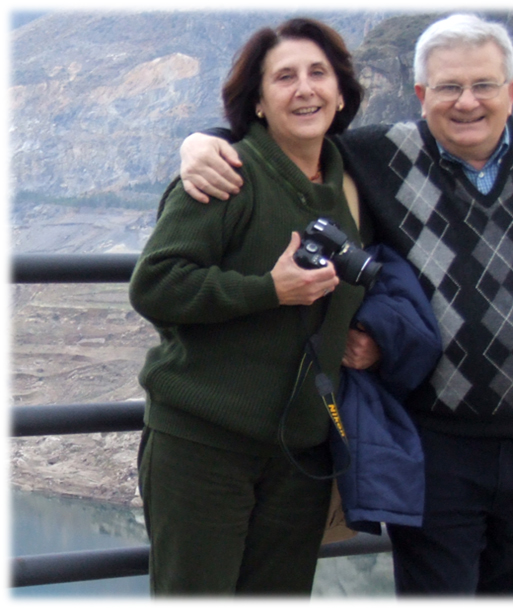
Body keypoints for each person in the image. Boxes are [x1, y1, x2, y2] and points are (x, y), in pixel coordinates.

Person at [177, 13, 513, 596]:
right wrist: (204, 140)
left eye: (484, 85)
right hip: (440, 448)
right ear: (421, 94)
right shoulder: (380, 155)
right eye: (448, 87)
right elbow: (290, 133)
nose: (467, 103)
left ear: (511, 90)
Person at [129, 18, 369, 595]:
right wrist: (268, 289)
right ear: (258, 102)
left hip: (301, 453)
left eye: (319, 73)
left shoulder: (357, 179)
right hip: (205, 447)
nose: (305, 88)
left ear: (341, 92)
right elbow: (155, 284)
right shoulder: (226, 173)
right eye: (284, 77)